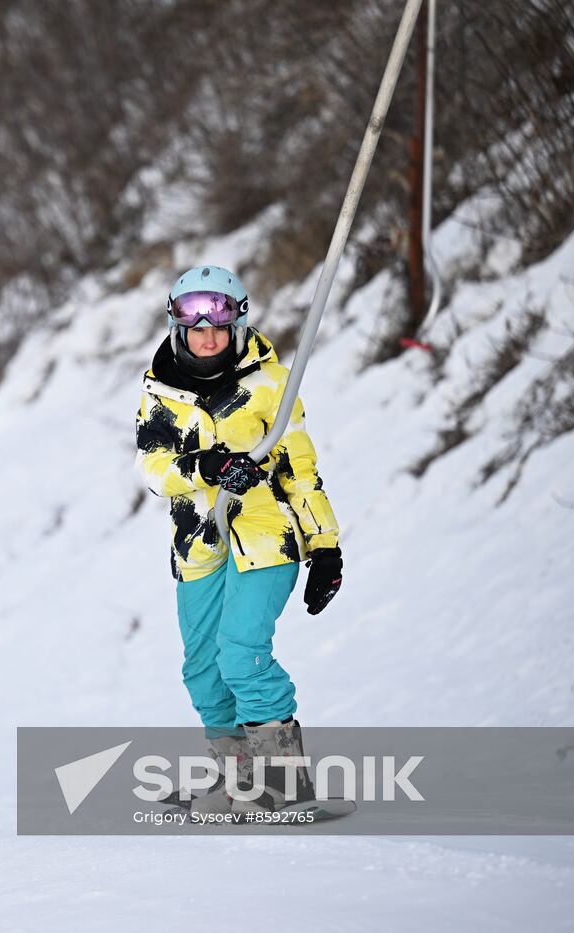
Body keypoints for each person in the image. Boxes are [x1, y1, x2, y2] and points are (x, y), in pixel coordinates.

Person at [134, 265, 345, 814]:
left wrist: (324, 546)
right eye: (196, 326)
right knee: (202, 667)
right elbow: (154, 468)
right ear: (178, 326)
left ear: (238, 324)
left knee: (241, 653)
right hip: (198, 539)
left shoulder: (271, 384)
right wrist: (203, 466)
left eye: (220, 326)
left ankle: (284, 779)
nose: (209, 337)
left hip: (264, 534)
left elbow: (301, 469)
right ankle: (238, 778)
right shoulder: (160, 392)